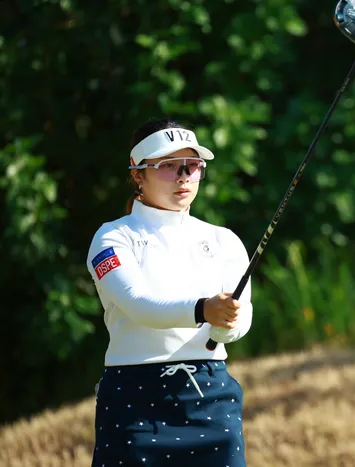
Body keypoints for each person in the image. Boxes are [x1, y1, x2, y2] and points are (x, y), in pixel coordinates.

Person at [86, 117, 253, 467]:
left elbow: (242, 317)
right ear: (137, 174)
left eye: (192, 165)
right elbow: (139, 304)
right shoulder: (112, 237)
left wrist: (227, 326)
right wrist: (204, 310)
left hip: (211, 395)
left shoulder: (224, 240)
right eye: (167, 166)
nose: (183, 176)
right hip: (134, 399)